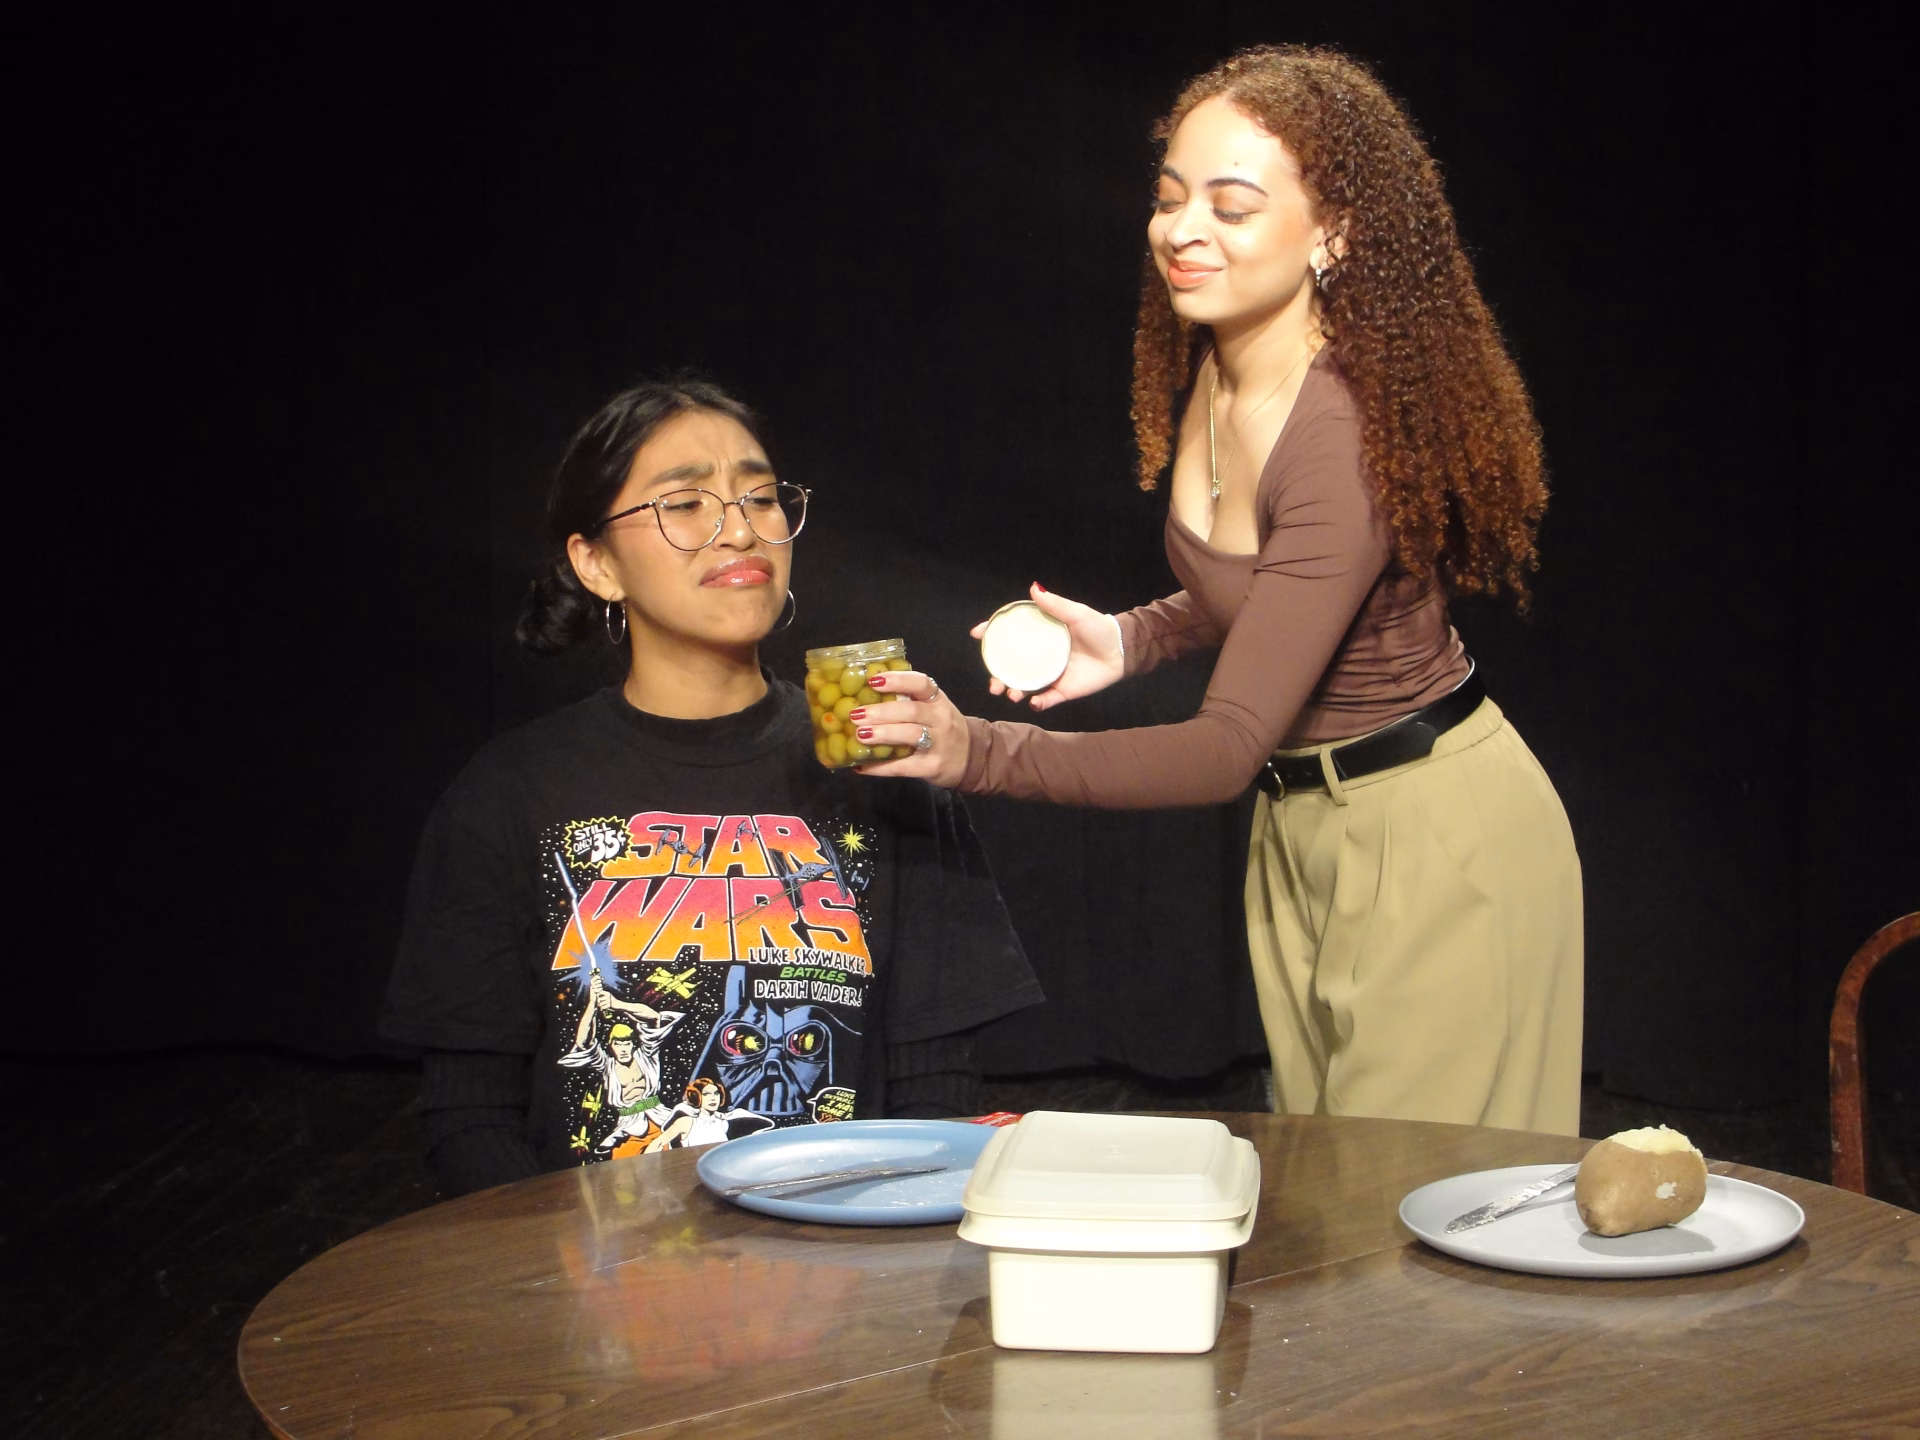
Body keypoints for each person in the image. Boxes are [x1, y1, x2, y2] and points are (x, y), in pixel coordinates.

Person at [853, 47, 1583, 1135]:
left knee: (1415, 1210)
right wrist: (1131, 639)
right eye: (1169, 198)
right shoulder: (1223, 370)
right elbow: (1280, 590)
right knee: (1332, 1191)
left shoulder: (1340, 432)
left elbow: (1221, 749)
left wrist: (977, 753)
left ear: (1334, 233)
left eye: (1232, 207)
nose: (1183, 230)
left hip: (1433, 838)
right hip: (1303, 830)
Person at [381, 379, 1042, 1196]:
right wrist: (565, 1266)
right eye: (686, 505)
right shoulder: (510, 790)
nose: (740, 529)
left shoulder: (887, 771)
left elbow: (934, 1093)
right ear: (596, 563)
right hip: (587, 1266)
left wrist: (859, 1243)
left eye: (761, 498)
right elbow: (470, 1119)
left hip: (838, 1253)